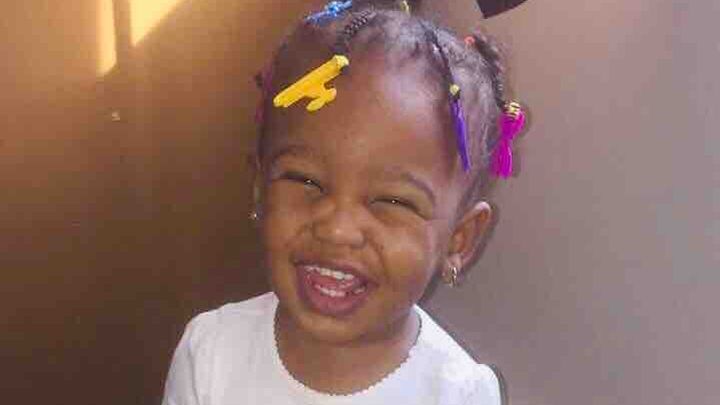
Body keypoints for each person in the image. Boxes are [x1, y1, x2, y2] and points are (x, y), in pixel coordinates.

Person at [161, 1, 526, 404]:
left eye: (392, 200)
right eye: (306, 180)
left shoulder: (458, 393)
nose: (337, 229)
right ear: (260, 189)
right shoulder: (210, 353)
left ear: (460, 239)